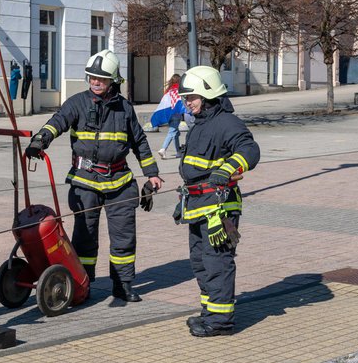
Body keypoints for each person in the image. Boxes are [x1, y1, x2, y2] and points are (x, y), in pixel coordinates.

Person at [25, 50, 164, 302]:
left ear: (114, 80)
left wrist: (152, 174)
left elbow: (140, 142)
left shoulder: (124, 109)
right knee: (84, 237)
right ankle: (82, 283)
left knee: (124, 237)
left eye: (101, 78)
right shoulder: (77, 102)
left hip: (120, 183)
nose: (95, 82)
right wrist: (39, 140)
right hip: (85, 182)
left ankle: (123, 285)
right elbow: (57, 121)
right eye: (91, 77)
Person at [174, 66, 260, 336]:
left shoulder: (227, 123)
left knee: (217, 262)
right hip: (198, 204)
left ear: (209, 94)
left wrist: (226, 170)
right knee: (200, 261)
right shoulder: (201, 122)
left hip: (219, 207)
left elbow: (250, 149)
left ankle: (221, 322)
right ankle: (209, 312)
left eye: (192, 97)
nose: (188, 102)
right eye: (186, 98)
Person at [155, 74, 193, 159]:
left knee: (175, 133)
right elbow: (183, 102)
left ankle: (178, 152)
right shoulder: (179, 90)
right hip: (176, 114)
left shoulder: (168, 91)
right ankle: (163, 149)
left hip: (168, 114)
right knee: (172, 132)